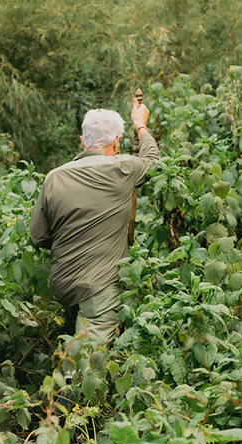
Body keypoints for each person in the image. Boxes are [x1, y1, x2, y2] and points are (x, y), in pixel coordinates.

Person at [29, 99, 159, 347]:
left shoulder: (54, 177)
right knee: (88, 362)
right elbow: (154, 162)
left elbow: (38, 237)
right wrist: (140, 126)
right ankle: (69, 383)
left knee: (74, 341)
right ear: (117, 143)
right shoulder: (124, 168)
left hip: (62, 284)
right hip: (99, 285)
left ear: (82, 141)